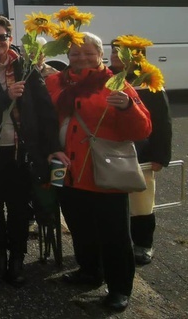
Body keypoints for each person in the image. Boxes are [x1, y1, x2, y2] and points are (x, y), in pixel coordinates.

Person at [45, 32, 151, 312]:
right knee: (80, 228)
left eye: (88, 53)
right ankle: (90, 270)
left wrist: (128, 108)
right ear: (67, 55)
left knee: (115, 234)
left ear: (100, 54)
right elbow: (44, 120)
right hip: (67, 169)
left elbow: (142, 130)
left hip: (103, 170)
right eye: (75, 53)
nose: (82, 58)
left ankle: (119, 288)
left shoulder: (116, 83)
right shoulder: (54, 81)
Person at [0, 15, 67, 287]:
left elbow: (46, 111)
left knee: (20, 209)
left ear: (10, 38)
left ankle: (17, 259)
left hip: (22, 151)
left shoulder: (27, 68)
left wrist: (53, 148)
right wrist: (5, 97)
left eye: (2, 36)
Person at [109, 41, 172, 266]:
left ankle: (144, 244)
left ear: (136, 55)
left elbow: (163, 123)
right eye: (112, 51)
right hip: (112, 152)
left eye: (120, 51)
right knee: (113, 201)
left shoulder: (149, 81)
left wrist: (159, 156)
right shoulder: (107, 77)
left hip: (142, 155)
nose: (114, 55)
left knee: (141, 203)